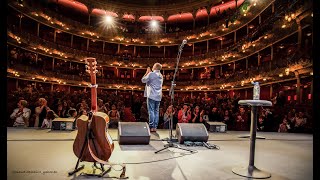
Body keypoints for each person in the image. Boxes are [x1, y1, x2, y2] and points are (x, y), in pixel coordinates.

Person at [141, 63, 163, 132]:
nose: (152, 67)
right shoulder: (161, 75)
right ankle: (155, 127)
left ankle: (151, 127)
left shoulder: (151, 74)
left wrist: (147, 72)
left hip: (151, 95)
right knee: (156, 111)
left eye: (153, 66)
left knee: (151, 111)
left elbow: (143, 80)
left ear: (155, 67)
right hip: (158, 96)